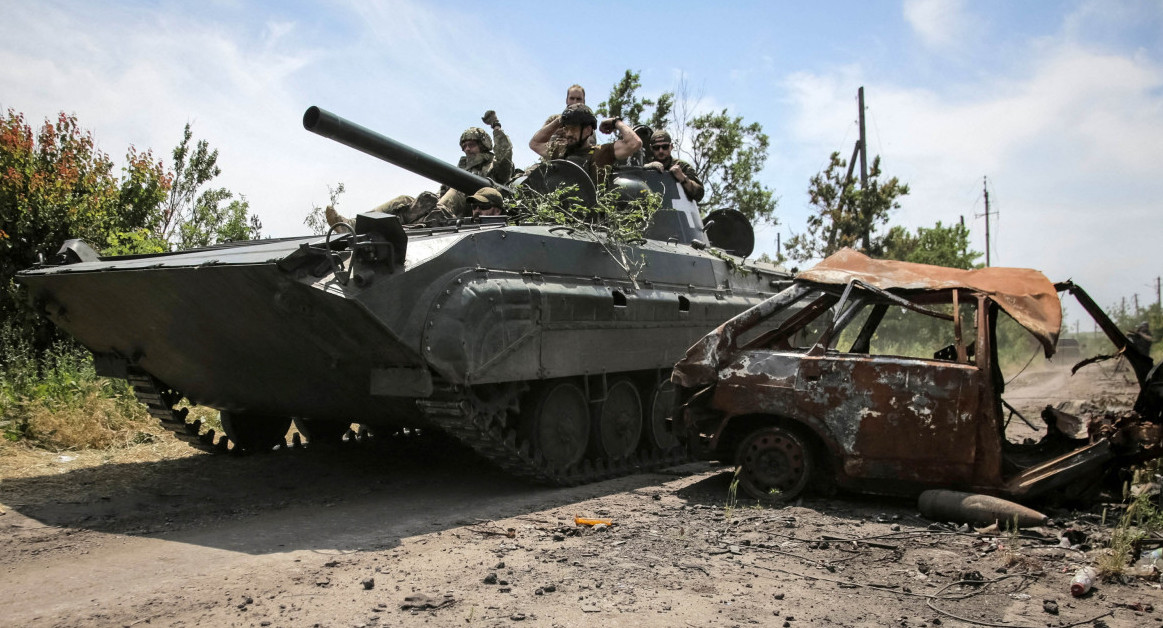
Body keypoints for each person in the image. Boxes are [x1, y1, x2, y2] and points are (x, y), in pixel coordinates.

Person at [529, 104, 641, 185]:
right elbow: (535, 143)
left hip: (589, 216)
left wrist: (616, 122)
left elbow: (634, 143)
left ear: (587, 130)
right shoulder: (559, 150)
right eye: (566, 129)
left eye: (573, 129)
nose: (568, 134)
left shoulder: (601, 152)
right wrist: (560, 119)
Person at [644, 130, 704, 202]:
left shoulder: (682, 166)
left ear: (671, 147)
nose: (661, 151)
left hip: (677, 210)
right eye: (656, 147)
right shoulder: (646, 166)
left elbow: (699, 194)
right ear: (651, 148)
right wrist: (646, 169)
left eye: (665, 147)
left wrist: (683, 178)